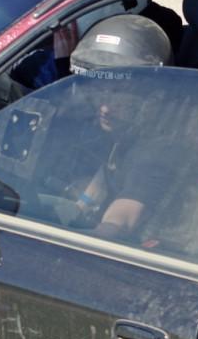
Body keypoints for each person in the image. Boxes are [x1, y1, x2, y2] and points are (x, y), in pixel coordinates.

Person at [56, 13, 175, 240]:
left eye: (121, 97)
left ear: (149, 95)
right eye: (102, 92)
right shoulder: (125, 133)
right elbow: (101, 181)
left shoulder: (158, 151)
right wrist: (78, 208)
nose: (105, 109)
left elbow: (121, 220)